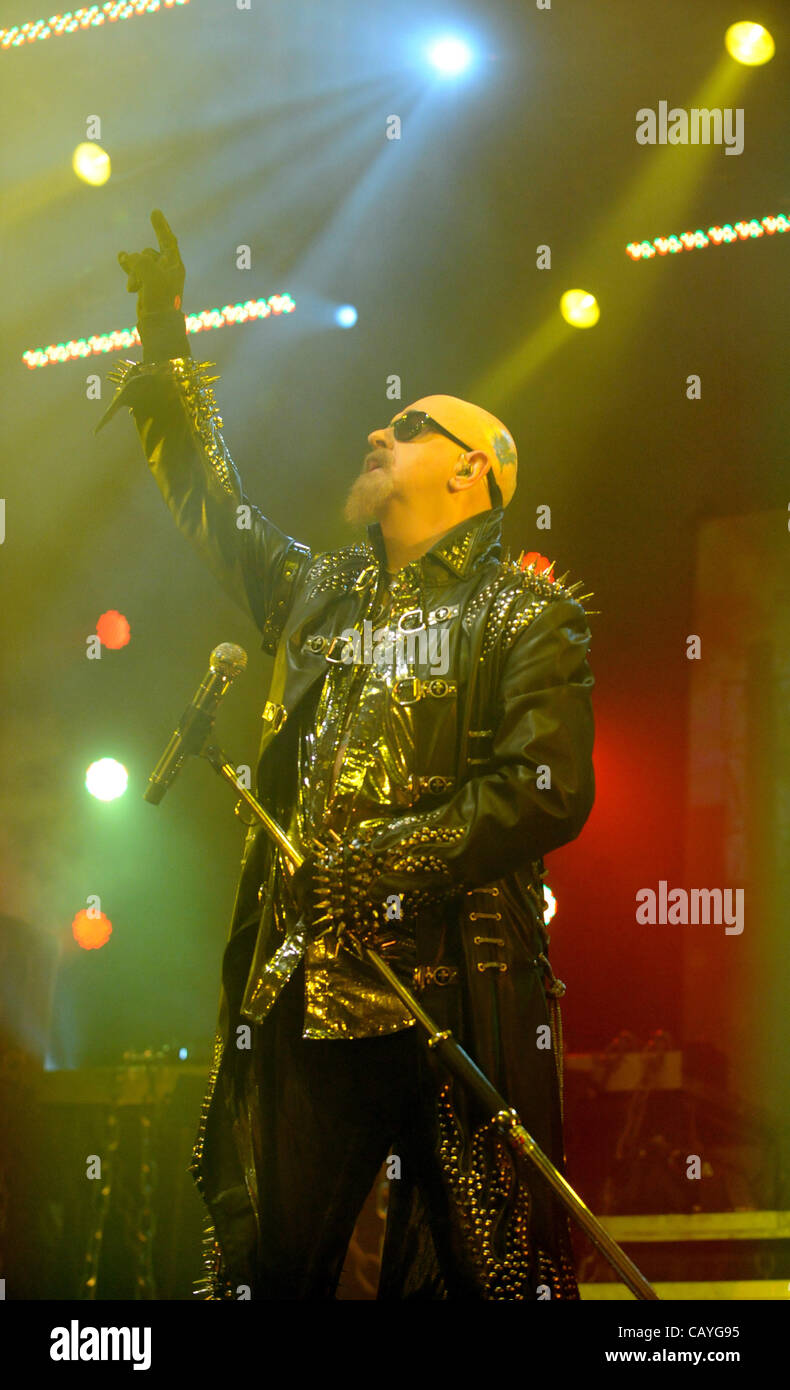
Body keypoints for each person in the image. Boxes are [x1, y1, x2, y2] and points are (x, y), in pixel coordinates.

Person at [96, 209, 596, 1300]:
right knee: (273, 1274)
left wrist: (381, 860)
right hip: (307, 1001)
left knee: (492, 1277)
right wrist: (163, 340)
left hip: (451, 1003)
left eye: (411, 425)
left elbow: (546, 789)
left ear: (475, 474)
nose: (383, 430)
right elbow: (219, 512)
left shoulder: (526, 616)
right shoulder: (322, 590)